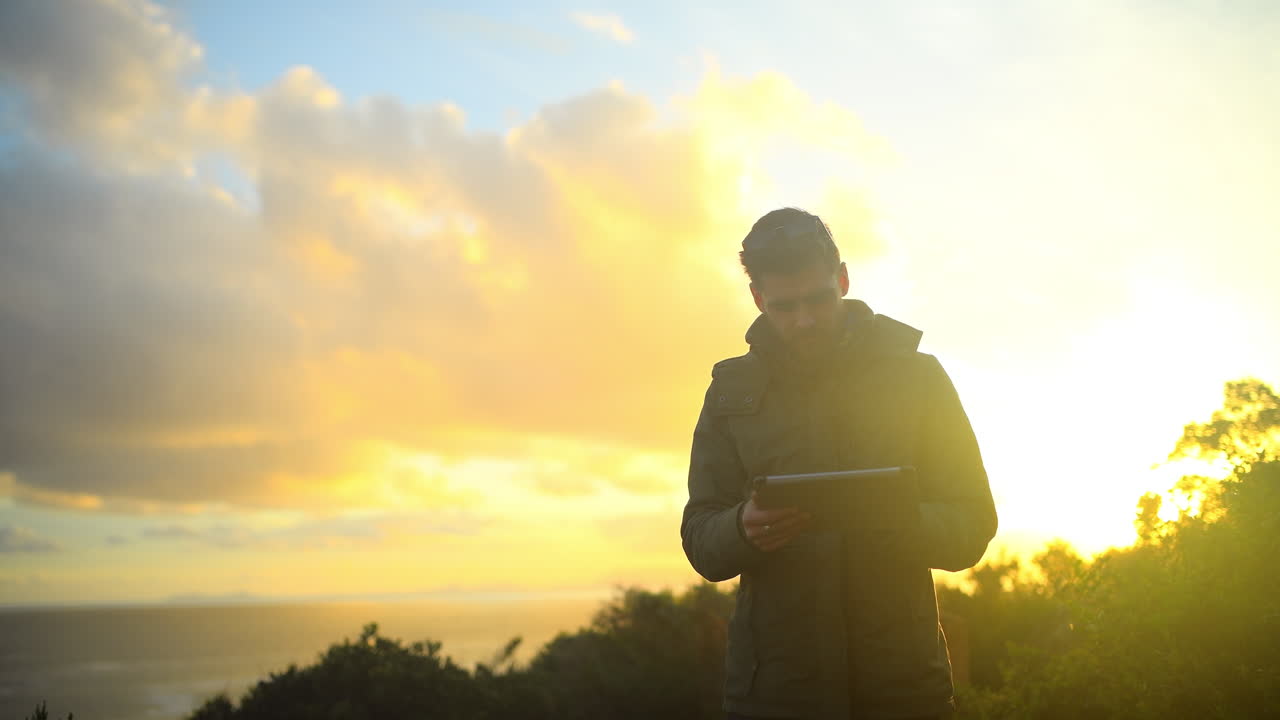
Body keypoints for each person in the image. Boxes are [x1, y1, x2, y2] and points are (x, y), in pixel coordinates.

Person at [681, 208, 997, 720]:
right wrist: (742, 527)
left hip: (904, 695)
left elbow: (974, 522)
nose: (804, 320)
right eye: (785, 306)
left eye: (818, 299)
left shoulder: (919, 378)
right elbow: (700, 537)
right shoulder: (728, 394)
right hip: (774, 699)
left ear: (843, 280)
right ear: (758, 298)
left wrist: (901, 521)